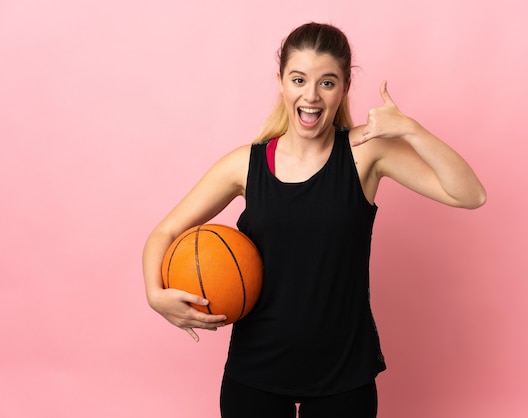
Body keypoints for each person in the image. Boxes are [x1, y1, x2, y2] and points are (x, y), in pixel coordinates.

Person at [142, 22, 486, 418]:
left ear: (343, 89)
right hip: (256, 372)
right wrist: (155, 295)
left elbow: (470, 194)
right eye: (299, 79)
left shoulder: (365, 156)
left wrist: (410, 130)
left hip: (343, 375)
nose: (311, 95)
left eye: (327, 82)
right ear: (281, 83)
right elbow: (165, 232)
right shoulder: (246, 165)